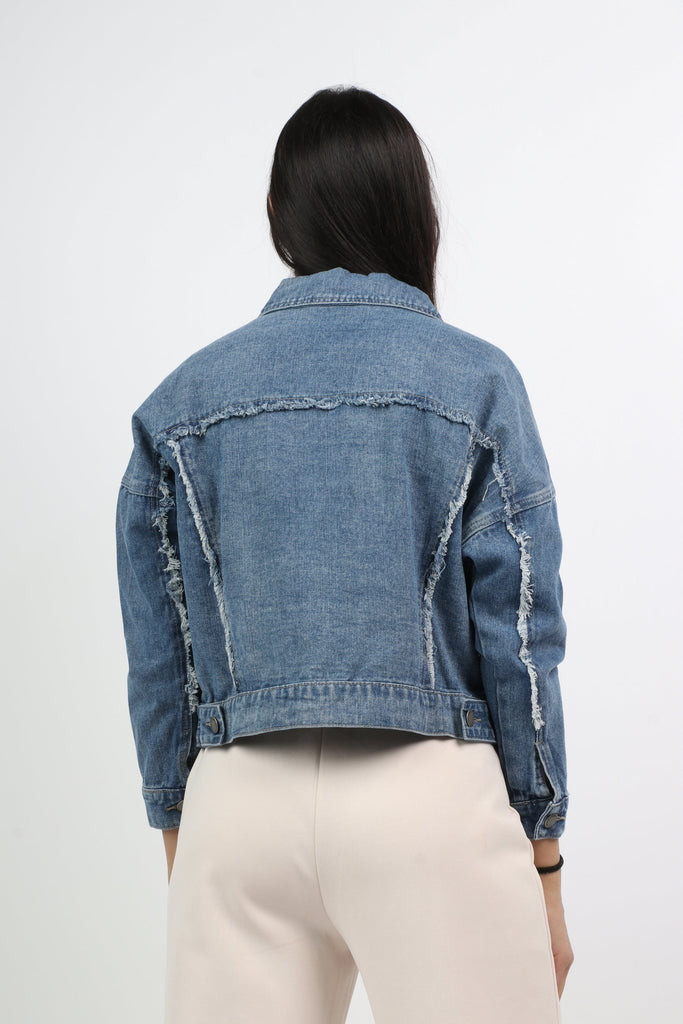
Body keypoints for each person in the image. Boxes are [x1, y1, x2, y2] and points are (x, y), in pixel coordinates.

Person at [115, 85, 574, 1023]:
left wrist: (182, 836)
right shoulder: (475, 381)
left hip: (235, 805)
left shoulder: (180, 402)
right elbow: (521, 639)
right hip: (429, 800)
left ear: (278, 216)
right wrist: (544, 860)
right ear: (414, 211)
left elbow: (160, 651)